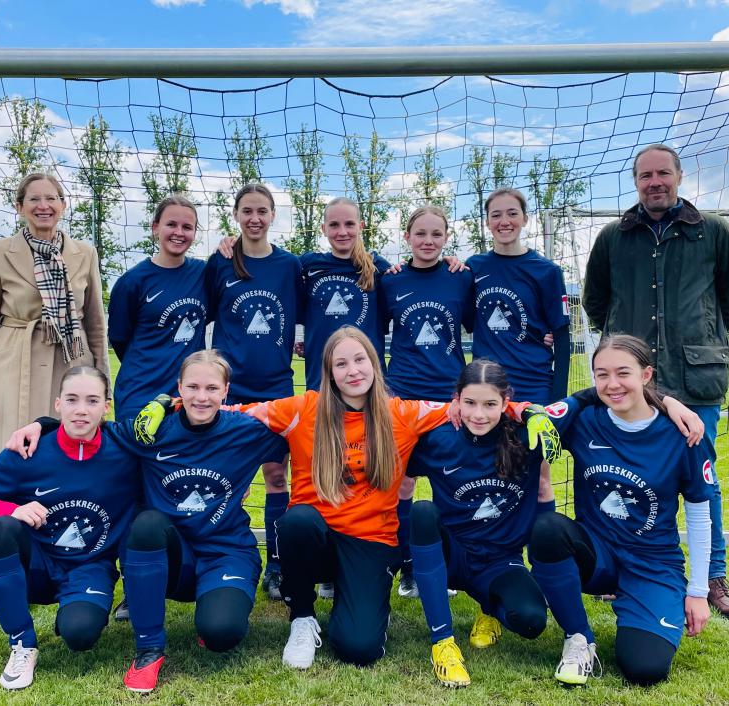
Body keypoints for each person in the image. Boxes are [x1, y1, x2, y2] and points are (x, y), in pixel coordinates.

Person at [229, 326, 558, 670]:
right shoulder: (301, 409)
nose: (353, 370)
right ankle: (302, 618)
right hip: (317, 536)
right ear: (329, 372)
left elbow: (477, 403)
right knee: (296, 521)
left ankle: (355, 596)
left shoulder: (403, 413)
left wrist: (525, 411)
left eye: (360, 360)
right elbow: (234, 414)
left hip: (371, 541)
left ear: (374, 363)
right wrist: (177, 404)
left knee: (359, 648)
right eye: (341, 364)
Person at [2, 351, 289, 693]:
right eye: (193, 386)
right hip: (170, 555)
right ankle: (149, 650)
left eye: (212, 388)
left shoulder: (247, 431)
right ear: (179, 387)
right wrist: (42, 424)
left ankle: (212, 616)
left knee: (221, 633)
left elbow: (300, 433)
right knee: (147, 522)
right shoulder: (150, 431)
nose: (201, 396)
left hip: (228, 553)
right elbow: (92, 426)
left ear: (226, 391)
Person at [582, 143, 729, 620]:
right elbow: (597, 303)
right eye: (644, 176)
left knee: (704, 483)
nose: (654, 182)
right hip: (632, 383)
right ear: (635, 182)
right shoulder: (614, 237)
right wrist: (626, 355)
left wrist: (699, 340)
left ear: (679, 176)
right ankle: (620, 569)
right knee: (623, 477)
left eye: (662, 174)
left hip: (695, 380)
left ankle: (713, 579)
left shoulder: (713, 233)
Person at [528, 335, 712, 686]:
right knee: (549, 529)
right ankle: (579, 639)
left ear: (646, 375)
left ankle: (645, 602)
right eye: (601, 374)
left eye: (623, 373)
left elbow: (700, 515)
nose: (612, 384)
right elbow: (530, 422)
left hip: (652, 564)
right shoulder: (585, 420)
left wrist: (699, 592)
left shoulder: (683, 433)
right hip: (597, 556)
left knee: (645, 669)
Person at [0, 367, 142, 691]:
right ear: (57, 404)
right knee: (0, 530)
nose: (81, 409)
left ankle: (73, 610)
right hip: (36, 566)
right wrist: (12, 509)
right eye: (72, 399)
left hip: (90, 567)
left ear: (106, 406)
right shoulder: (29, 451)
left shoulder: (125, 451)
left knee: (80, 635)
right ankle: (22, 644)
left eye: (92, 400)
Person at [405, 359, 552, 687]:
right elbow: (400, 478)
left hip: (502, 560)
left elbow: (544, 489)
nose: (479, 415)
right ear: (455, 400)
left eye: (490, 404)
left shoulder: (527, 438)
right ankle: (443, 643)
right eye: (469, 403)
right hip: (452, 554)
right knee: (423, 511)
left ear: (506, 401)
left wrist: (542, 565)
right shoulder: (437, 439)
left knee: (531, 621)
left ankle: (490, 607)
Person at [0, 172, 109, 465]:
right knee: (9, 454)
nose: (43, 206)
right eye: (34, 199)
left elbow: (95, 324)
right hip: (12, 364)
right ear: (19, 207)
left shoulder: (85, 253)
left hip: (71, 362)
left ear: (63, 205)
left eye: (51, 198)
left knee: (65, 453)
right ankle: (7, 512)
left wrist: (102, 383)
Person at [204, 183, 302, 601]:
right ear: (236, 214)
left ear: (273, 215)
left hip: (276, 386)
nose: (255, 218)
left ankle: (277, 565)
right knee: (229, 479)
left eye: (262, 211)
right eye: (247, 211)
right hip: (231, 388)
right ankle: (223, 557)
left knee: (277, 475)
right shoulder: (221, 262)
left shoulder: (290, 266)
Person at [379, 206, 475, 597]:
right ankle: (405, 567)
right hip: (401, 395)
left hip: (447, 398)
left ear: (446, 237)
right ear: (407, 237)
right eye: (421, 234)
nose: (428, 241)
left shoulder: (461, 277)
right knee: (400, 484)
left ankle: (445, 566)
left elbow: (478, 324)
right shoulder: (390, 281)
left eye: (437, 234)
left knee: (447, 483)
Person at [467, 188, 570, 405]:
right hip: (486, 386)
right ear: (487, 222)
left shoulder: (547, 272)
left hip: (533, 385)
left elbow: (561, 338)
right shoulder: (473, 267)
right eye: (496, 215)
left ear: (525, 219)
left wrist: (559, 399)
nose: (504, 221)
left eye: (512, 213)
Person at [108, 195, 206, 419]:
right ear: (155, 228)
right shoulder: (132, 282)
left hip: (187, 400)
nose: (179, 232)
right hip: (140, 395)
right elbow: (120, 339)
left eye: (187, 227)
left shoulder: (204, 274)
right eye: (171, 224)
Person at [300, 197, 391, 390]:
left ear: (361, 226)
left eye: (349, 224)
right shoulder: (308, 264)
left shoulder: (379, 268)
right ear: (324, 229)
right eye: (334, 225)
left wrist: (448, 263)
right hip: (321, 382)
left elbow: (418, 278)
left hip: (368, 383)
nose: (342, 232)